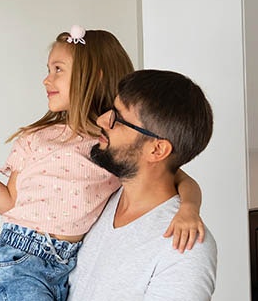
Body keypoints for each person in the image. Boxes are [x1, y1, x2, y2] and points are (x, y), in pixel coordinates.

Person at [0, 26, 205, 301]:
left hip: (61, 266)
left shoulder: (108, 151)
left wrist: (189, 209)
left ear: (92, 77)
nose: (46, 80)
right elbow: (11, 203)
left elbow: (176, 174)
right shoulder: (41, 139)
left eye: (58, 69)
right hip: (20, 259)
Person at [68, 69, 218, 301]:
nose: (101, 121)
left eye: (117, 119)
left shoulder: (185, 247)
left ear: (157, 149)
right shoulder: (103, 194)